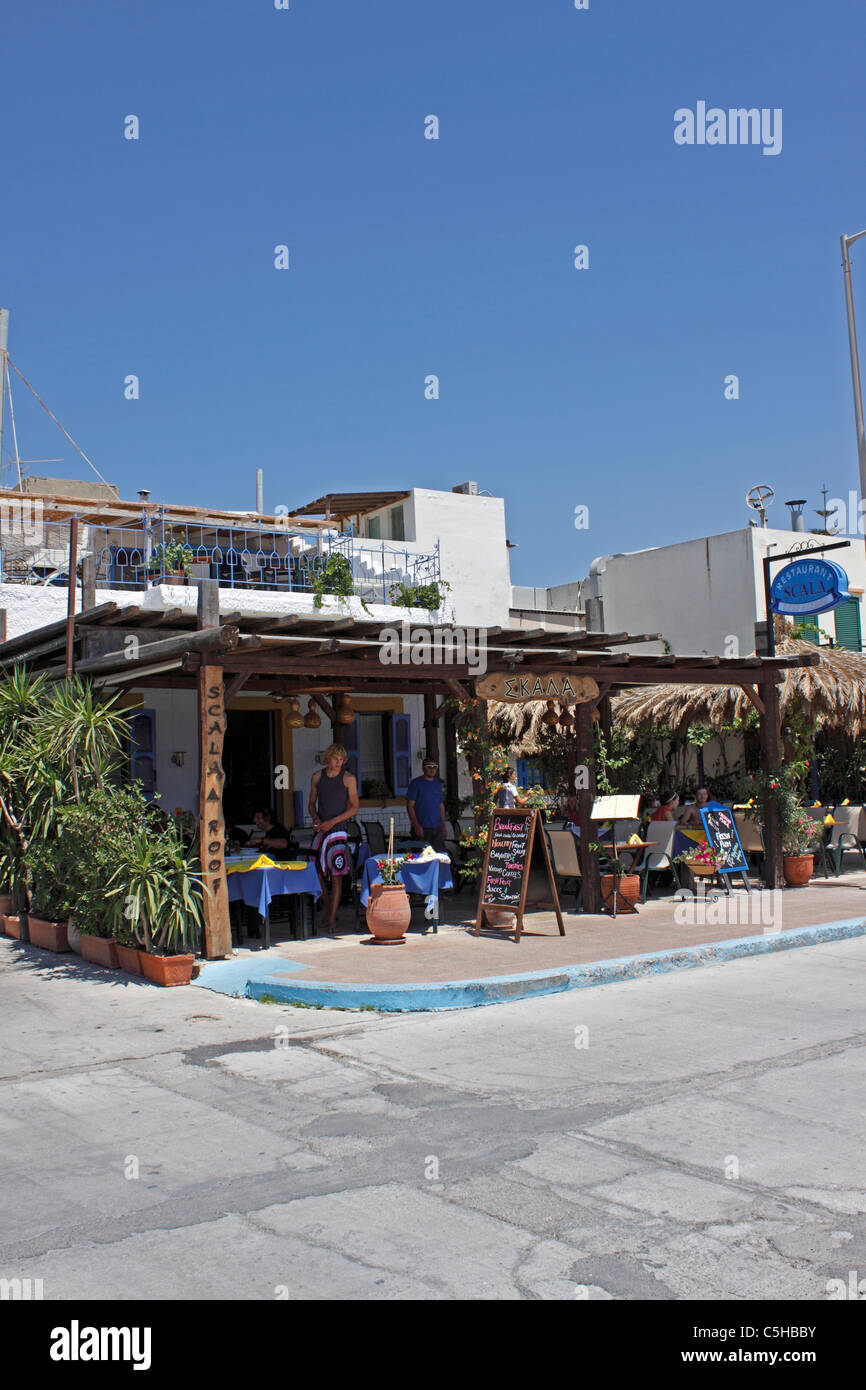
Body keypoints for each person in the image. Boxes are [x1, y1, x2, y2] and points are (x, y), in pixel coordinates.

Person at [309, 744, 359, 934]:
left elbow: (354, 807)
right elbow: (311, 803)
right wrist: (315, 818)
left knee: (337, 872)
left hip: (338, 829)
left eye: (341, 759)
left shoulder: (348, 779)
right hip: (321, 828)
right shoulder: (317, 777)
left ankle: (331, 917)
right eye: (336, 758)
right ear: (328, 758)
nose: (339, 762)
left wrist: (333, 821)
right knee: (316, 870)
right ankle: (330, 910)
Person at [406, 757, 448, 851]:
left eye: (434, 767)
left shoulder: (437, 784)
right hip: (422, 828)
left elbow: (440, 805)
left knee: (439, 857)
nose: (432, 769)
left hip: (437, 828)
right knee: (421, 858)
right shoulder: (416, 784)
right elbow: (410, 806)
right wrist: (416, 826)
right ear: (423, 768)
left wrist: (444, 826)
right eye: (429, 767)